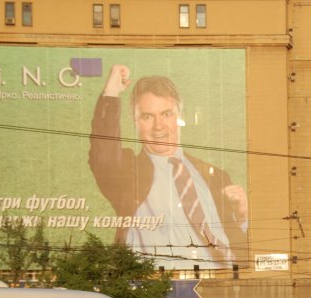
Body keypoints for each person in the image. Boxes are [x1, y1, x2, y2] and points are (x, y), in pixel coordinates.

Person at [89, 64, 248, 269]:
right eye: (147, 116)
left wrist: (242, 218)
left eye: (166, 114)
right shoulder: (128, 172)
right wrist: (111, 93)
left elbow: (241, 246)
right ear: (135, 121)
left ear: (179, 116)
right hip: (155, 286)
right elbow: (103, 154)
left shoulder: (215, 175)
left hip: (223, 282)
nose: (158, 126)